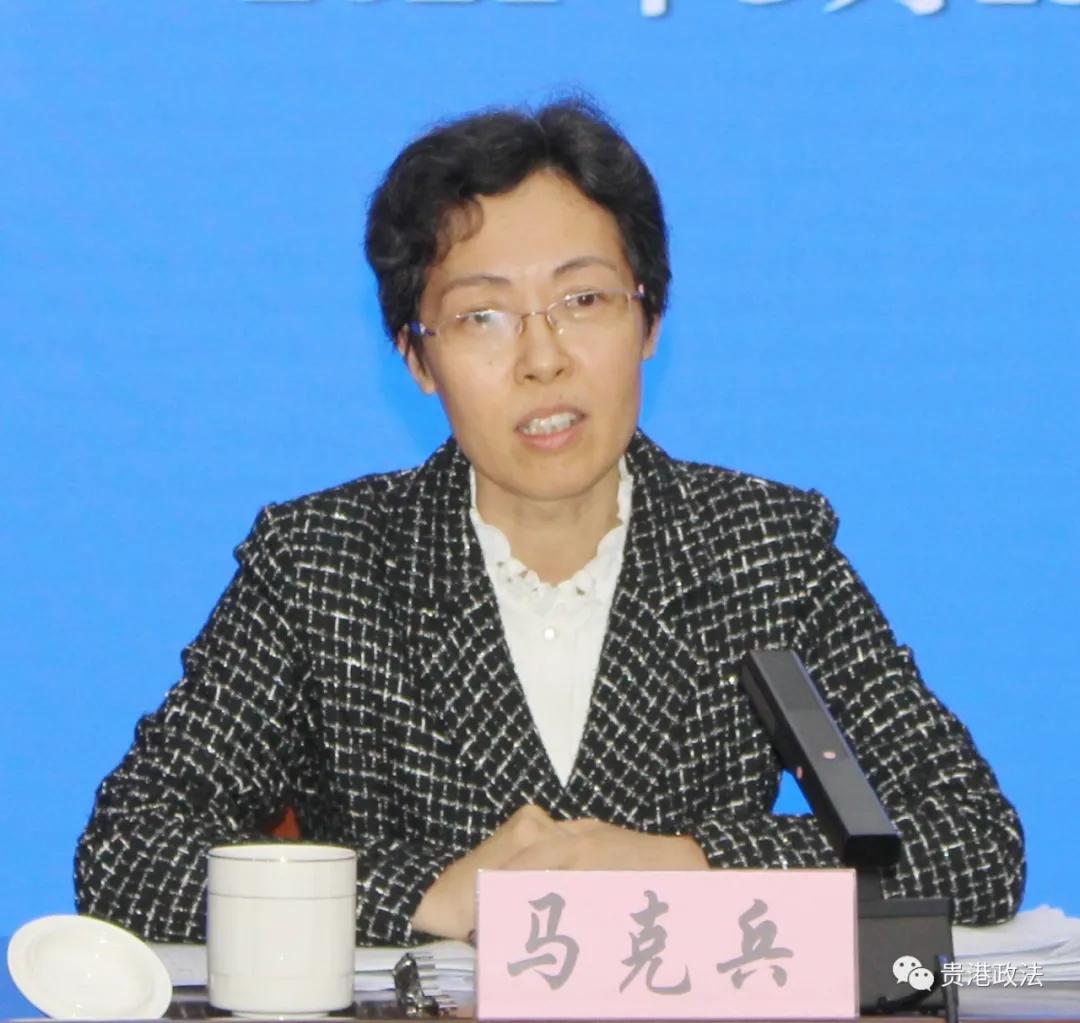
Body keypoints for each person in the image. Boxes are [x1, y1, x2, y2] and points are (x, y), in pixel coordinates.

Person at [75, 99, 1024, 945]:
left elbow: (974, 838)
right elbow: (127, 851)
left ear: (650, 320)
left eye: (583, 301)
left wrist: (691, 864)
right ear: (416, 357)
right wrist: (423, 893)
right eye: (483, 317)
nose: (543, 360)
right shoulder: (322, 564)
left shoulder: (763, 549)